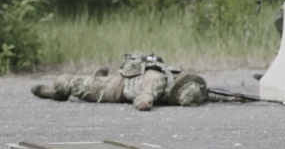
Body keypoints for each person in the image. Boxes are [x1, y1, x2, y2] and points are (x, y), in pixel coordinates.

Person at [30, 52, 208, 110]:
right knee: (67, 81)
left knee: (67, 81)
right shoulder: (162, 79)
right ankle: (57, 93)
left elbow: (145, 99)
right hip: (117, 84)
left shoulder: (164, 81)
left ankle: (58, 92)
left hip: (115, 86)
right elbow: (146, 96)